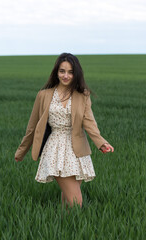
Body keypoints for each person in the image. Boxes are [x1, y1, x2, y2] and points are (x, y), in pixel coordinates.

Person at [15, 53, 114, 209]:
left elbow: (89, 122)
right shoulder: (44, 95)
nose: (66, 75)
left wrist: (102, 143)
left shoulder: (83, 95)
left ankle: (65, 228)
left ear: (76, 74)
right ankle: (76, 227)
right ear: (56, 72)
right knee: (76, 202)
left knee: (68, 202)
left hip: (78, 150)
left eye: (70, 72)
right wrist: (21, 152)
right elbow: (32, 127)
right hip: (55, 149)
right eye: (62, 71)